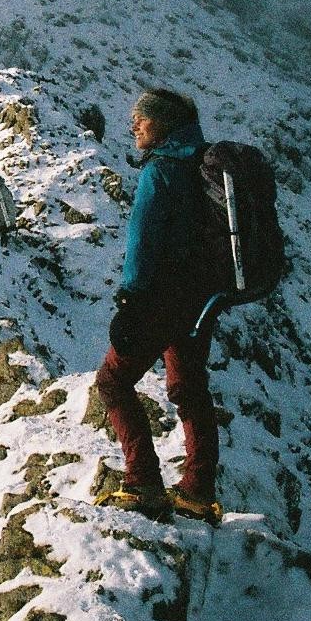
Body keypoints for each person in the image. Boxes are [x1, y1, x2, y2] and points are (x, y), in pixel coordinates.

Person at [94, 88, 223, 522]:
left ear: (163, 125)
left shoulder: (161, 172)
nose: (133, 125)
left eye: (141, 118)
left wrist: (130, 299)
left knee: (113, 381)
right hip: (199, 301)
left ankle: (143, 482)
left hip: (160, 301)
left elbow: (142, 242)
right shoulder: (202, 166)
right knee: (188, 389)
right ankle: (197, 491)